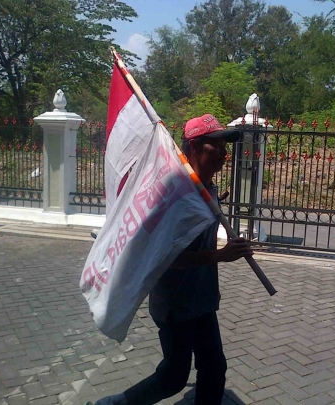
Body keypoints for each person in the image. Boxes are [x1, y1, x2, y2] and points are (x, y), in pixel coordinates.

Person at [90, 114, 253, 405]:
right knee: (175, 376)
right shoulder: (174, 193)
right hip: (175, 303)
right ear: (195, 147)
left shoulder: (208, 189)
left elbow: (199, 240)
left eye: (225, 148)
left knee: (214, 367)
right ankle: (113, 404)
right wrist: (220, 255)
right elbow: (165, 257)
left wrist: (225, 253)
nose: (224, 155)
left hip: (201, 300)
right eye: (216, 146)